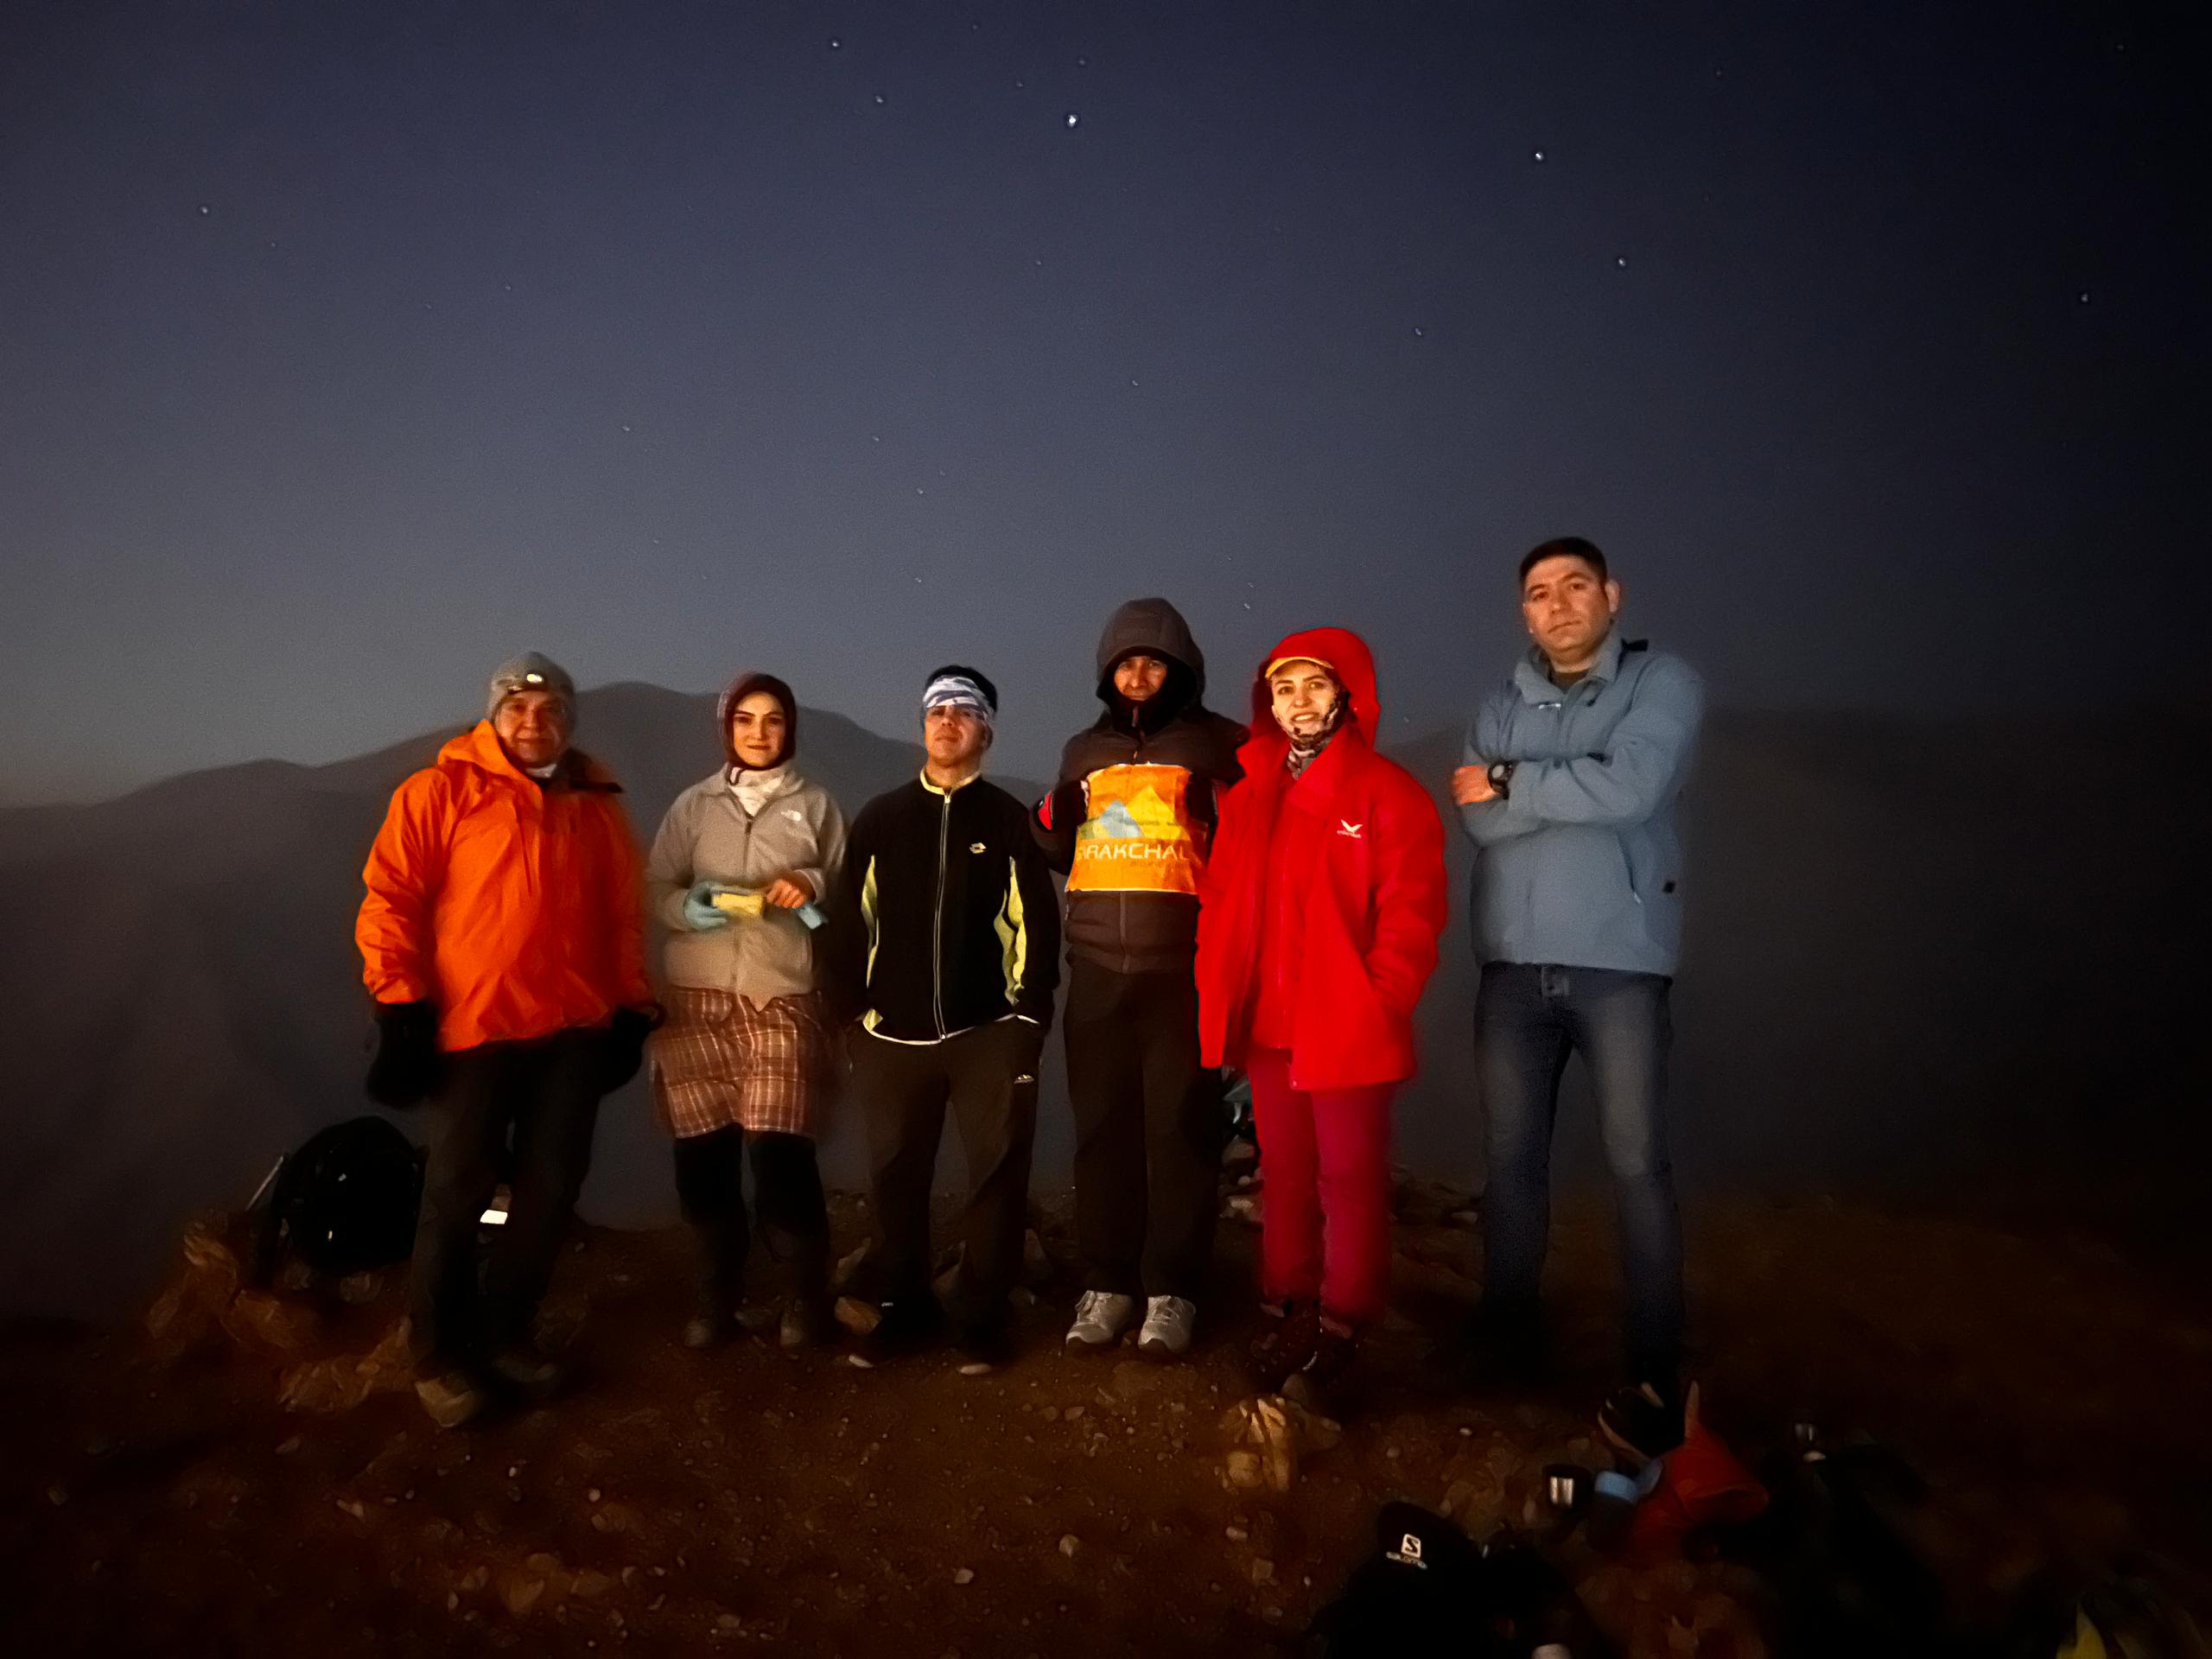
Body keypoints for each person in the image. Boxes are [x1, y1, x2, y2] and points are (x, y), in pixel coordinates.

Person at [357, 653, 658, 1428]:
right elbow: (392, 898)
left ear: (569, 721)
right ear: (494, 716)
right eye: (518, 708)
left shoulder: (596, 805)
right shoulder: (440, 791)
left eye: (550, 709)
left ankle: (504, 1330)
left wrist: (632, 1006)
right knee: (458, 1189)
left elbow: (621, 915)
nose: (534, 721)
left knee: (549, 1188)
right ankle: (437, 1351)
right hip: (476, 1028)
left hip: (572, 1032)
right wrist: (400, 1007)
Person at [1450, 536, 1706, 1435]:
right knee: (1511, 1160)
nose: (1557, 605)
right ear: (1523, 612)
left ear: (1611, 595)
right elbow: (1478, 824)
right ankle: (1506, 1339)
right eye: (1538, 593)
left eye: (1574, 586)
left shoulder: (1661, 683)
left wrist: (1512, 780)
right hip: (1512, 965)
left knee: (1637, 1164)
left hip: (1620, 963)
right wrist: (1567, 786)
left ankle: (1654, 1370)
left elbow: (1634, 787)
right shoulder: (1499, 701)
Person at [1195, 628, 1447, 1408]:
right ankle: (1288, 1300)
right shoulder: (1250, 795)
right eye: (1284, 689)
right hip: (1271, 1020)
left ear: (1345, 693)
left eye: (1314, 685)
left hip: (1347, 1024)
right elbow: (1221, 897)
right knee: (1286, 1171)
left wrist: (1378, 1000)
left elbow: (1412, 913)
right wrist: (1222, 988)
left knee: (1349, 1175)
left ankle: (1344, 1319)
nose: (1299, 702)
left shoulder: (1385, 793)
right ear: (1268, 704)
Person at [1032, 598, 1245, 1359]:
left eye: (1155, 662)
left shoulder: (1220, 744)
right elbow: (1056, 847)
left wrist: (1216, 801)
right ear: (1107, 673)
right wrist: (1052, 810)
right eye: (1126, 663)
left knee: (1180, 1132)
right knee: (1102, 1132)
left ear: (1181, 669)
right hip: (1095, 967)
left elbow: (1256, 836)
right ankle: (1109, 1282)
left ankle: (1173, 1289)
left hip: (1182, 967)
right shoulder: (1083, 749)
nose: (1140, 675)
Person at [830, 666, 1061, 1370]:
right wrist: (851, 1016)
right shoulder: (882, 818)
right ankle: (903, 1310)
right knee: (895, 1177)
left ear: (985, 731)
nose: (947, 721)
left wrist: (1029, 1018)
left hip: (988, 1033)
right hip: (889, 1037)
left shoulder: (1008, 821)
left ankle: (982, 1319)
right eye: (936, 710)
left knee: (996, 1176)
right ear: (922, 725)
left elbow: (1036, 923)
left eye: (964, 711)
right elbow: (849, 920)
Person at [645, 672, 848, 1351]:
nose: (759, 733)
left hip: (781, 994)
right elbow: (655, 885)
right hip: (695, 999)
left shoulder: (815, 805)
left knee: (782, 1152)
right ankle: (716, 1299)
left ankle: (804, 1299)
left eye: (773, 720)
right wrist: (685, 907)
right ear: (727, 728)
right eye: (745, 720)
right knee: (703, 1157)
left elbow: (847, 891)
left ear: (790, 728)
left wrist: (811, 883)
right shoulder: (694, 805)